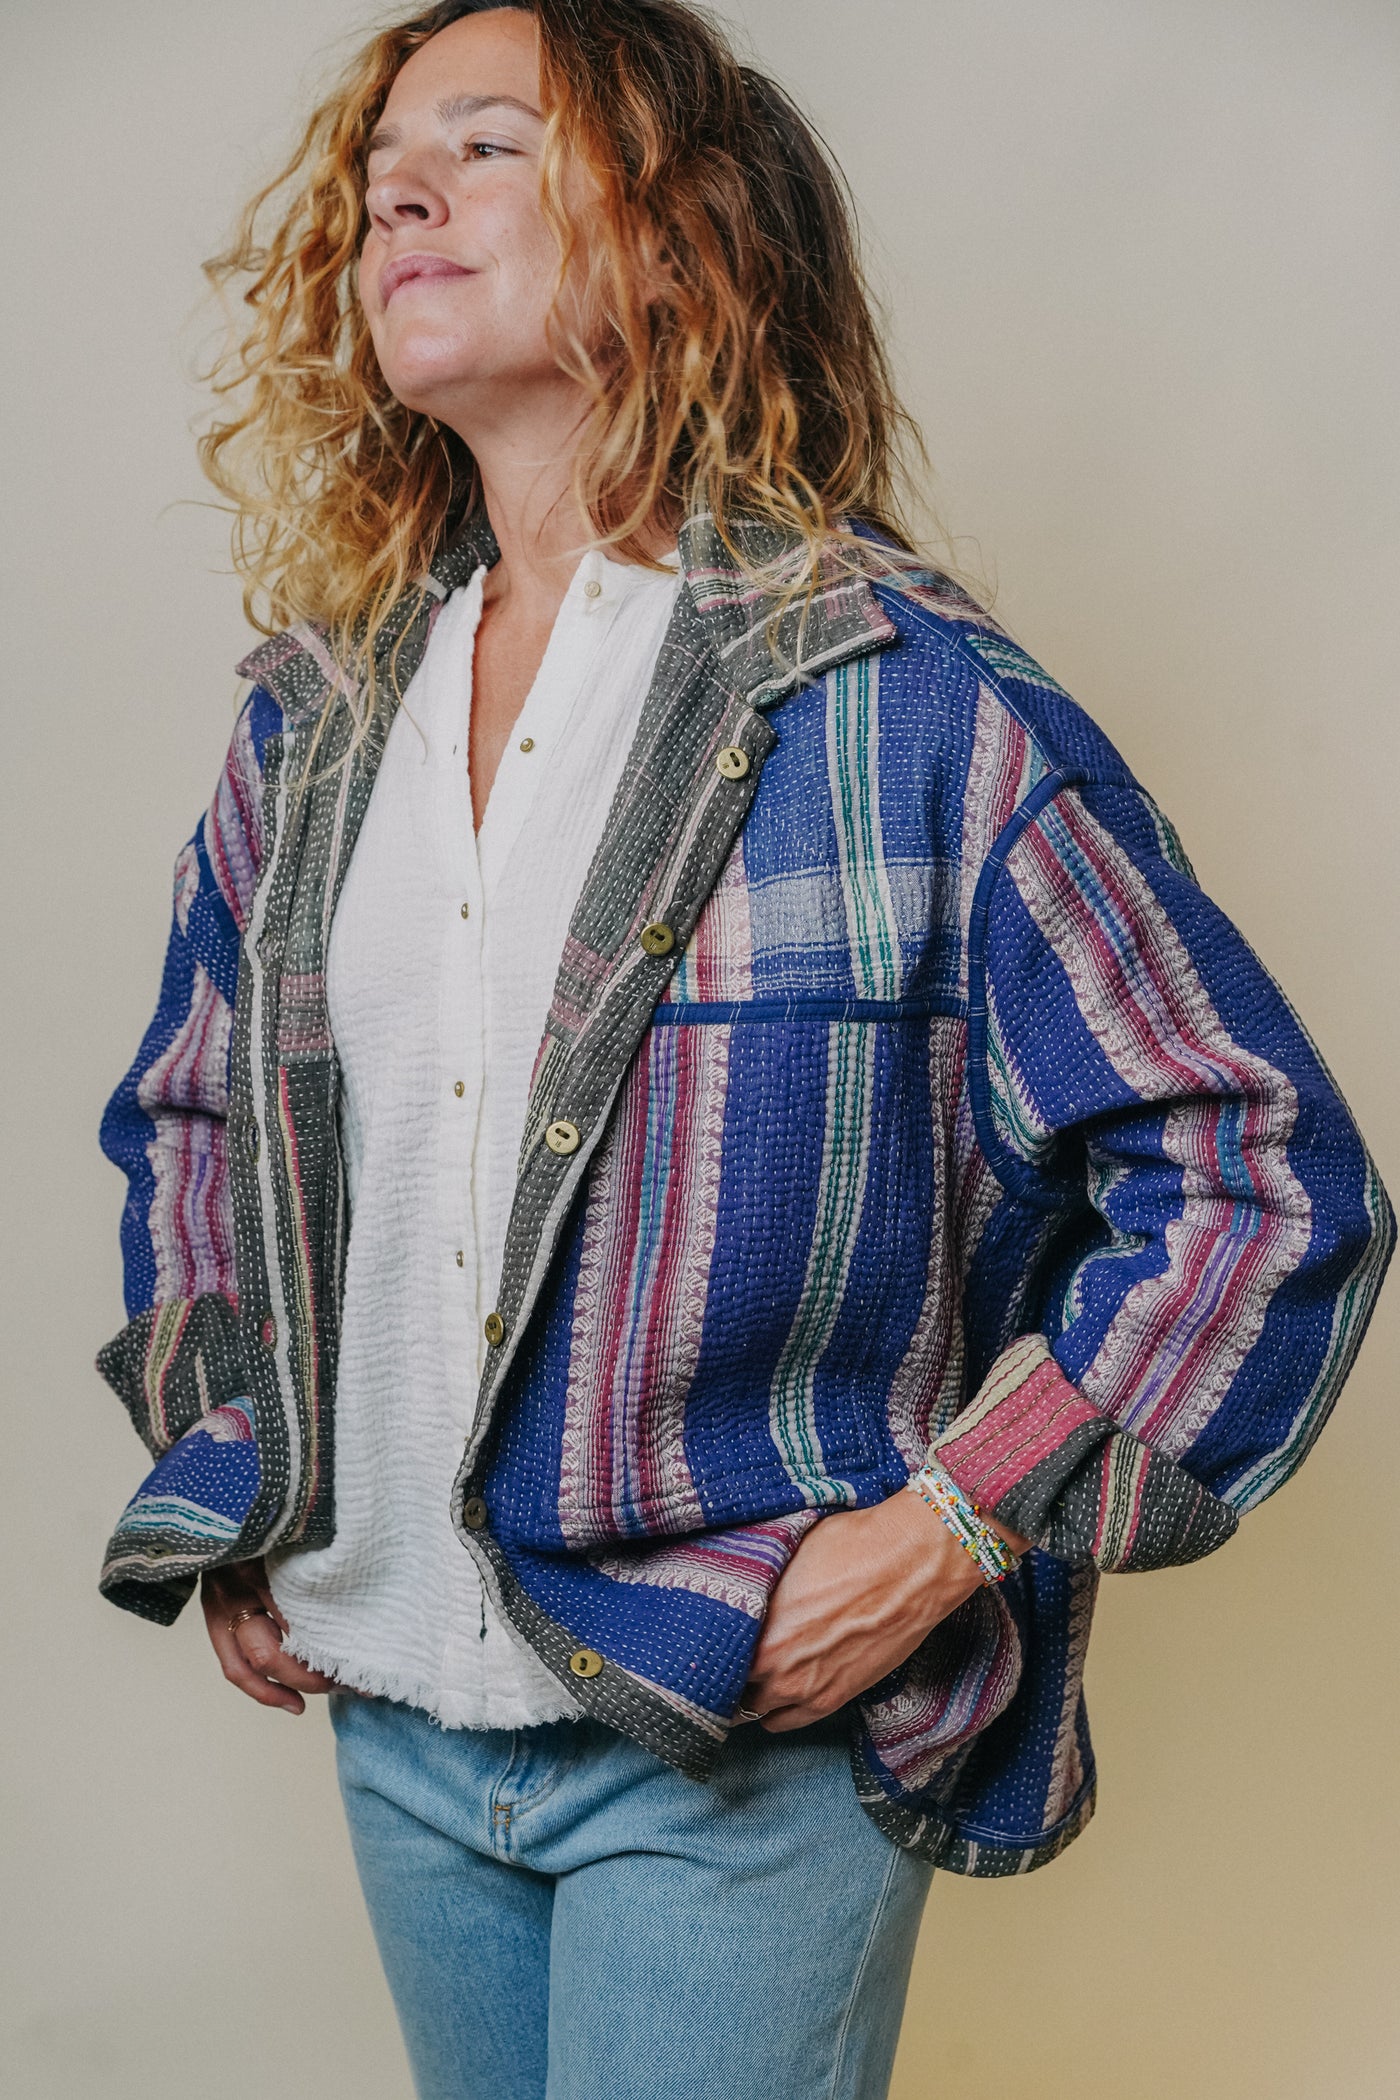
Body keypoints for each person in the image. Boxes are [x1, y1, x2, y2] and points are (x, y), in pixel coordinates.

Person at [94, 3, 1392, 2095]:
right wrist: (238, 1454)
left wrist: (955, 1526)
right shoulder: (314, 720)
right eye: (381, 170)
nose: (400, 194)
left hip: (729, 1734)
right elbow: (194, 1118)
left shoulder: (899, 701)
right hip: (392, 1711)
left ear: (682, 237)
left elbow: (1256, 1177)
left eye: (487, 145)